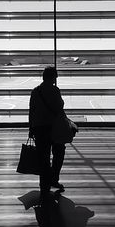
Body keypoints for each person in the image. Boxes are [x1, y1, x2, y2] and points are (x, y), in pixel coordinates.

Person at [29, 66, 66, 197]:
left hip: (39, 128)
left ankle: (43, 184)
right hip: (54, 128)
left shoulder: (35, 91)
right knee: (59, 153)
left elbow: (31, 111)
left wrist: (31, 128)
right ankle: (53, 178)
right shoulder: (55, 90)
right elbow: (59, 107)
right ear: (53, 77)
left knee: (43, 157)